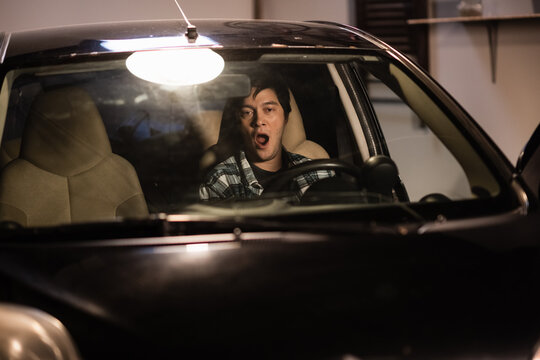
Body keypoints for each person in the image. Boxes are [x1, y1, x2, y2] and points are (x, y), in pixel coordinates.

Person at [199, 72, 333, 201]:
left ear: (285, 117)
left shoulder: (317, 174)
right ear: (239, 124)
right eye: (247, 112)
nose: (258, 120)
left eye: (269, 110)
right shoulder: (221, 182)